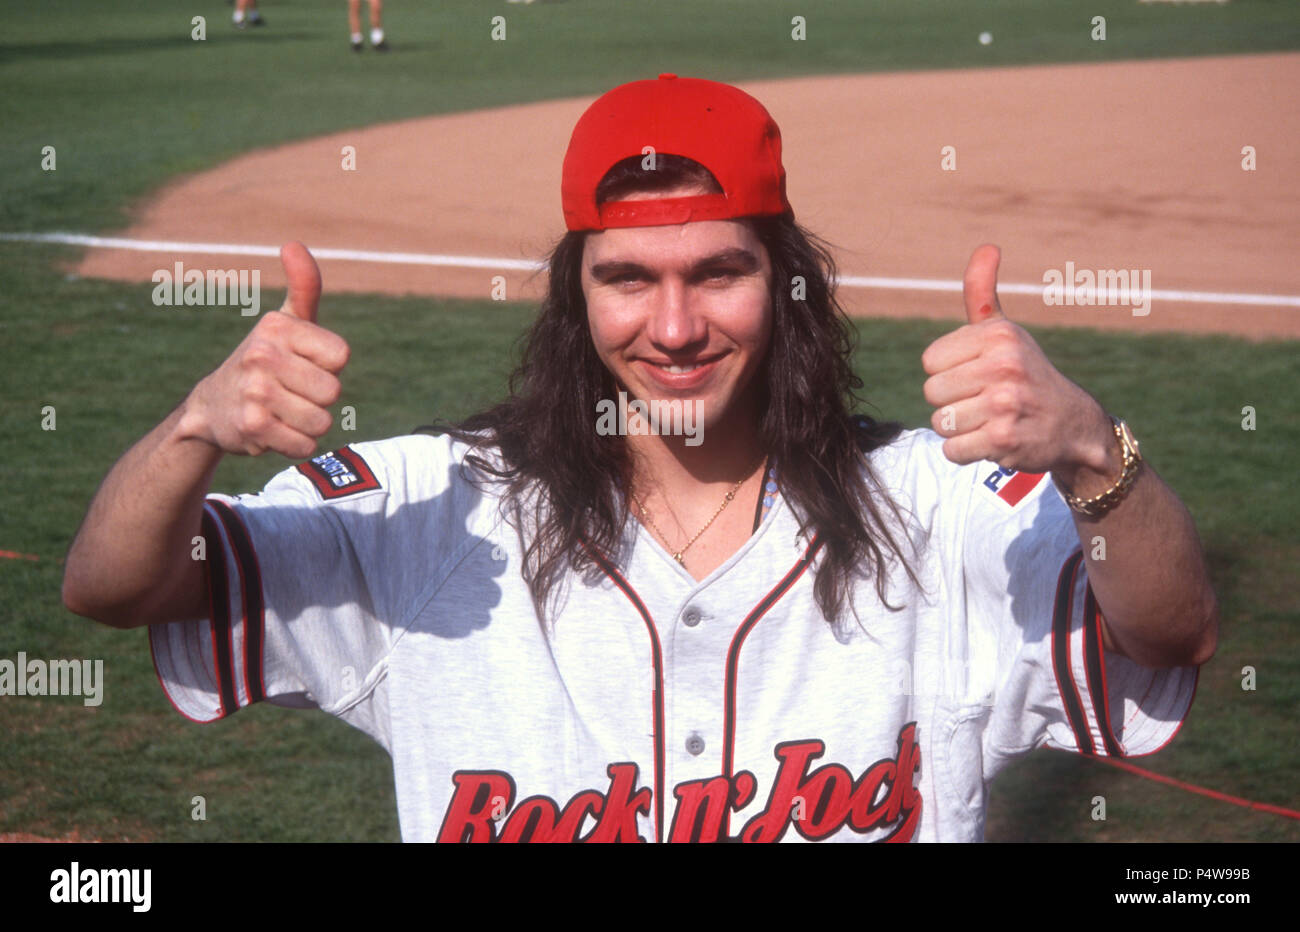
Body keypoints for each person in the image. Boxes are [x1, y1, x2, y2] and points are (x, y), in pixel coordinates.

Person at [63, 74, 1218, 843]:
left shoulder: (932, 504)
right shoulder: (436, 507)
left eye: (718, 272)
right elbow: (115, 587)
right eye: (627, 279)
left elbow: (1167, 630)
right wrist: (196, 427)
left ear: (788, 283)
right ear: (577, 293)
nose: (672, 329)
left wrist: (1084, 446)